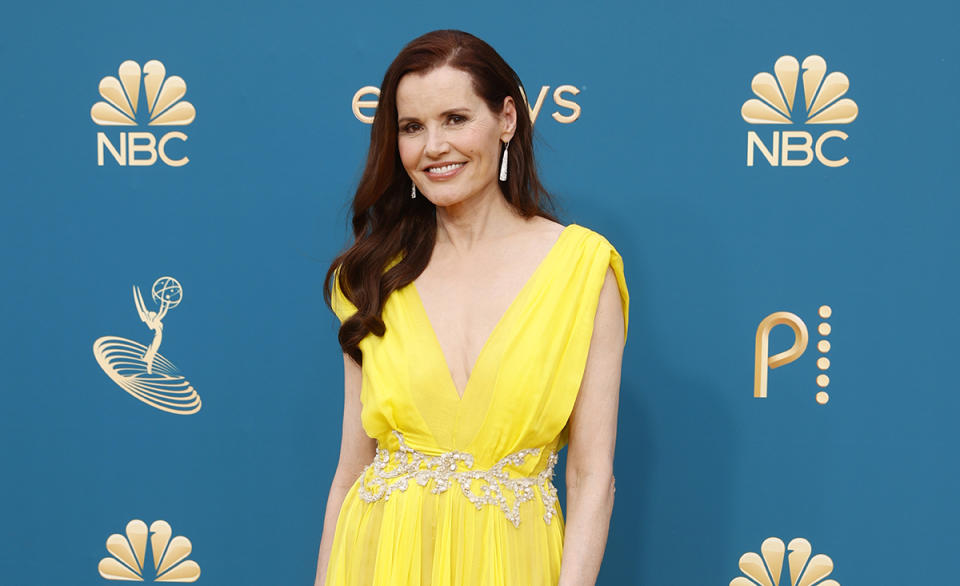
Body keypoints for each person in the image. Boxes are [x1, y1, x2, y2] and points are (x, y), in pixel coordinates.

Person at [314, 29, 629, 586]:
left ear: (507, 118)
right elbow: (350, 469)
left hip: (511, 562)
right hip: (380, 560)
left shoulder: (582, 268)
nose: (434, 146)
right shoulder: (367, 276)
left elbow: (590, 477)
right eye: (412, 127)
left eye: (456, 119)